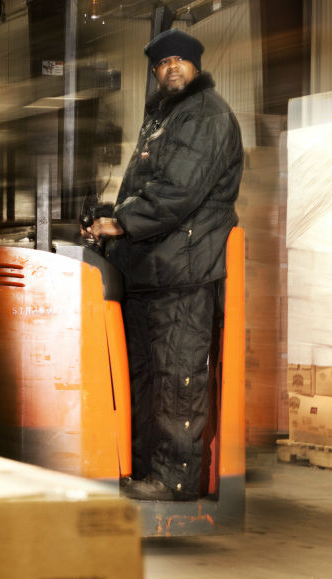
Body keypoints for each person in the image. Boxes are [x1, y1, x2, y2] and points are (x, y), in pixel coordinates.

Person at [81, 28, 243, 501]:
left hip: (185, 271)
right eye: (162, 62)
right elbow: (144, 189)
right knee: (147, 379)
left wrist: (121, 223)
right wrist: (111, 218)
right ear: (154, 72)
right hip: (152, 268)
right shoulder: (163, 118)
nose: (171, 67)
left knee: (177, 378)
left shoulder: (205, 115)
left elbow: (178, 192)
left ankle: (174, 480)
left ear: (196, 67)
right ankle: (144, 469)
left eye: (180, 60)